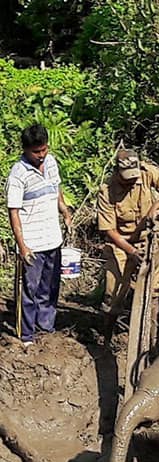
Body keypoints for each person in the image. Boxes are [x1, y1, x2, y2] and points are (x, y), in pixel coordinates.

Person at [5, 123, 72, 346]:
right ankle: (27, 336)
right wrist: (22, 246)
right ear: (25, 150)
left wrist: (64, 210)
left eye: (44, 150)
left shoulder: (51, 162)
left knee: (50, 287)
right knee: (29, 291)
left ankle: (46, 328)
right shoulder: (18, 174)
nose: (41, 156)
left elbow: (56, 189)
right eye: (36, 152)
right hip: (32, 243)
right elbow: (13, 212)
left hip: (52, 238)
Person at [97, 149, 159, 318]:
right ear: (117, 172)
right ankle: (108, 331)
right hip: (121, 244)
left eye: (133, 177)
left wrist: (157, 206)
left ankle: (149, 333)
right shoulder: (107, 191)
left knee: (152, 291)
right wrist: (132, 251)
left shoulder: (146, 173)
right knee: (113, 293)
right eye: (127, 178)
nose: (132, 181)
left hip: (148, 241)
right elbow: (109, 230)